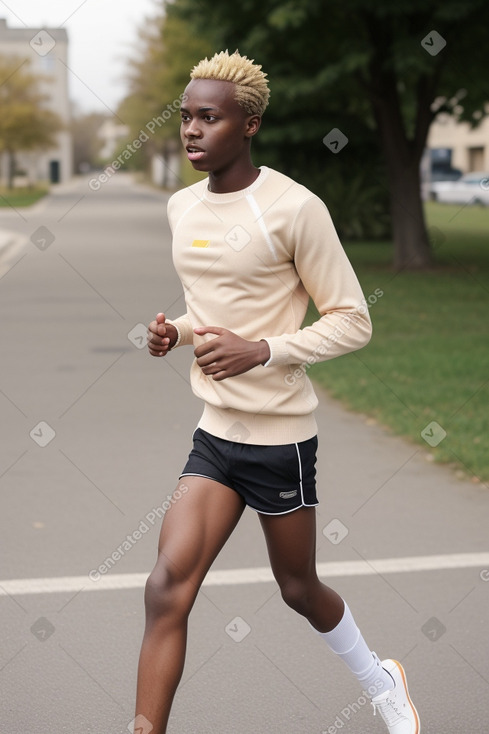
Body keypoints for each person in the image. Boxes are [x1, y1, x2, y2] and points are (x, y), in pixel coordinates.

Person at [135, 50, 420, 734]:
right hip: (215, 438)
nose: (192, 131)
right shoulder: (181, 206)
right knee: (165, 587)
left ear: (250, 125)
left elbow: (353, 320)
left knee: (297, 588)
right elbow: (212, 306)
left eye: (210, 117)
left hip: (278, 442)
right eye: (185, 117)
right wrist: (174, 331)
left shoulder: (294, 209)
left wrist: (265, 349)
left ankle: (378, 679)